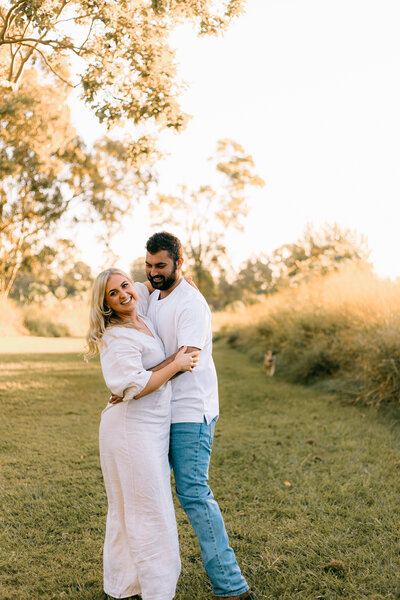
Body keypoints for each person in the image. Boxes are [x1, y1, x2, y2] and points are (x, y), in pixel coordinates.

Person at [144, 232, 255, 600]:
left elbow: (185, 359)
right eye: (149, 265)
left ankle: (232, 586)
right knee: (152, 493)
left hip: (191, 411)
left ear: (179, 262)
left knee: (192, 493)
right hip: (159, 410)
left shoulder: (192, 303)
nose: (154, 272)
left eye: (161, 265)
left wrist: (139, 380)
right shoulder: (154, 295)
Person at [85, 267, 199, 600]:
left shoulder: (141, 310)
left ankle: (126, 586)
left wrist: (184, 279)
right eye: (113, 294)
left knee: (138, 507)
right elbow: (135, 387)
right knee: (147, 509)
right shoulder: (115, 336)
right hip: (128, 431)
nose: (123, 294)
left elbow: (154, 282)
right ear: (105, 304)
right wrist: (176, 364)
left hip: (151, 428)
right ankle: (153, 590)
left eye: (123, 286)